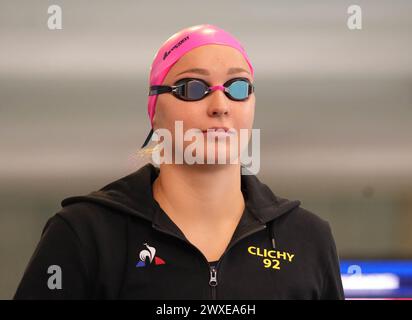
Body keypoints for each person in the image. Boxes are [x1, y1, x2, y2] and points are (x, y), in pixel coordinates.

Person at [14, 24, 344, 299]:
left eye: (238, 87)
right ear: (155, 113)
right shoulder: (86, 233)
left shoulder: (306, 238)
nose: (220, 105)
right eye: (193, 87)